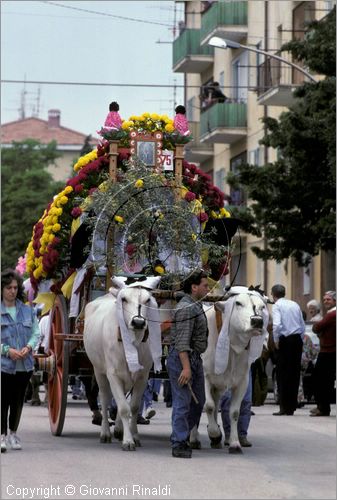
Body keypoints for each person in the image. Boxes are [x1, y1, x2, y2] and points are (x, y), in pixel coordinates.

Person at [167, 270, 209, 458]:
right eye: (205, 286)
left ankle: (180, 434)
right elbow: (182, 342)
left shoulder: (196, 305)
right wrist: (186, 368)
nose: (208, 289)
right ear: (194, 287)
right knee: (183, 402)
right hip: (182, 359)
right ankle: (179, 442)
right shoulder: (186, 308)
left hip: (195, 358)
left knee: (198, 401)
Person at [1, 269, 40, 452]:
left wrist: (29, 347)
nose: (12, 291)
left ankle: (13, 434)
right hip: (3, 365)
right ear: (2, 289)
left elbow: (36, 333)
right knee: (3, 400)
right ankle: (2, 436)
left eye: (15, 287)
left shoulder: (27, 310)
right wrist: (7, 350)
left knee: (17, 401)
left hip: (24, 365)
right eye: (8, 288)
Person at [271, 284, 305, 416]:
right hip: (297, 340)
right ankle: (291, 406)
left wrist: (276, 340)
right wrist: (300, 339)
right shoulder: (295, 304)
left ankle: (283, 407)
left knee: (282, 374)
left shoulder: (277, 306)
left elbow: (277, 324)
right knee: (294, 374)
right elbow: (302, 324)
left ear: (273, 294)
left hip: (285, 340)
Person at [310, 291, 336, 417]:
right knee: (325, 380)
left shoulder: (332, 315)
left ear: (334, 301)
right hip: (328, 350)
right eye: (324, 299)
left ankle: (323, 408)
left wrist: (319, 329)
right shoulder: (330, 314)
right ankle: (321, 406)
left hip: (328, 351)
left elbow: (317, 327)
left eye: (329, 300)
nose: (326, 301)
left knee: (322, 380)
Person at [220, 370, 253, 447]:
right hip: (229, 366)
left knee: (246, 401)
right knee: (227, 401)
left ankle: (242, 435)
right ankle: (229, 434)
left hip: (245, 366)